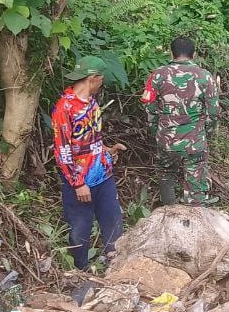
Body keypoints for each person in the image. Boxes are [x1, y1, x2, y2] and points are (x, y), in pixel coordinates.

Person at [53, 55, 125, 269]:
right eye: (101, 79)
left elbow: (90, 138)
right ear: (93, 79)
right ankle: (81, 272)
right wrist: (78, 183)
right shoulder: (64, 108)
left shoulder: (92, 103)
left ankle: (116, 266)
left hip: (103, 174)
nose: (102, 83)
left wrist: (107, 150)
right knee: (80, 229)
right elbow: (62, 150)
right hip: (80, 182)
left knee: (113, 222)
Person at [142, 36, 219, 205]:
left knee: (165, 174)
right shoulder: (205, 76)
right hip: (194, 141)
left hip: (166, 140)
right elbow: (213, 113)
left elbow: (149, 108)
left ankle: (169, 211)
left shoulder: (157, 75)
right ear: (194, 54)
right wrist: (206, 133)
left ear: (171, 53)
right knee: (196, 183)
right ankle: (195, 212)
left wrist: (157, 133)